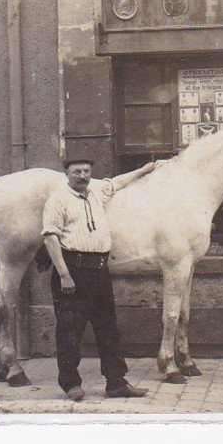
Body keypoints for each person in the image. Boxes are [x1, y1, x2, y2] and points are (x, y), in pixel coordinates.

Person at [42, 158, 159, 401]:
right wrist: (64, 274)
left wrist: (144, 169)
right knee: (70, 331)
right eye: (76, 172)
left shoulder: (96, 191)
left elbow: (118, 182)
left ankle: (116, 383)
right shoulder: (58, 199)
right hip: (73, 270)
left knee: (108, 330)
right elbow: (51, 238)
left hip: (100, 272)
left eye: (86, 171)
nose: (82, 176)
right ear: (67, 174)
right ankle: (71, 384)